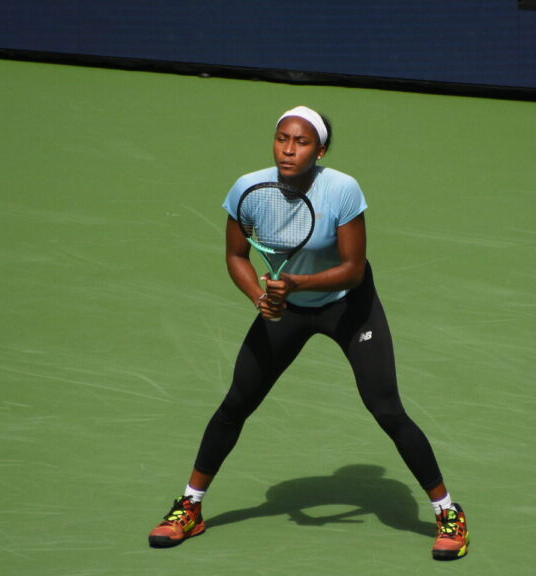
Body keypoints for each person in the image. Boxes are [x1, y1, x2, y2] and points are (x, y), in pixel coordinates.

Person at [147, 106, 468, 560]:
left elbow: (353, 271)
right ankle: (190, 507)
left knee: (386, 408)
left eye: (300, 142)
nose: (288, 149)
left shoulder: (342, 190)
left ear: (320, 150)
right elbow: (237, 256)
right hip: (286, 310)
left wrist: (296, 283)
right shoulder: (248, 190)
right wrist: (260, 299)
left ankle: (448, 513)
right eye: (282, 139)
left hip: (349, 308)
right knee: (236, 403)